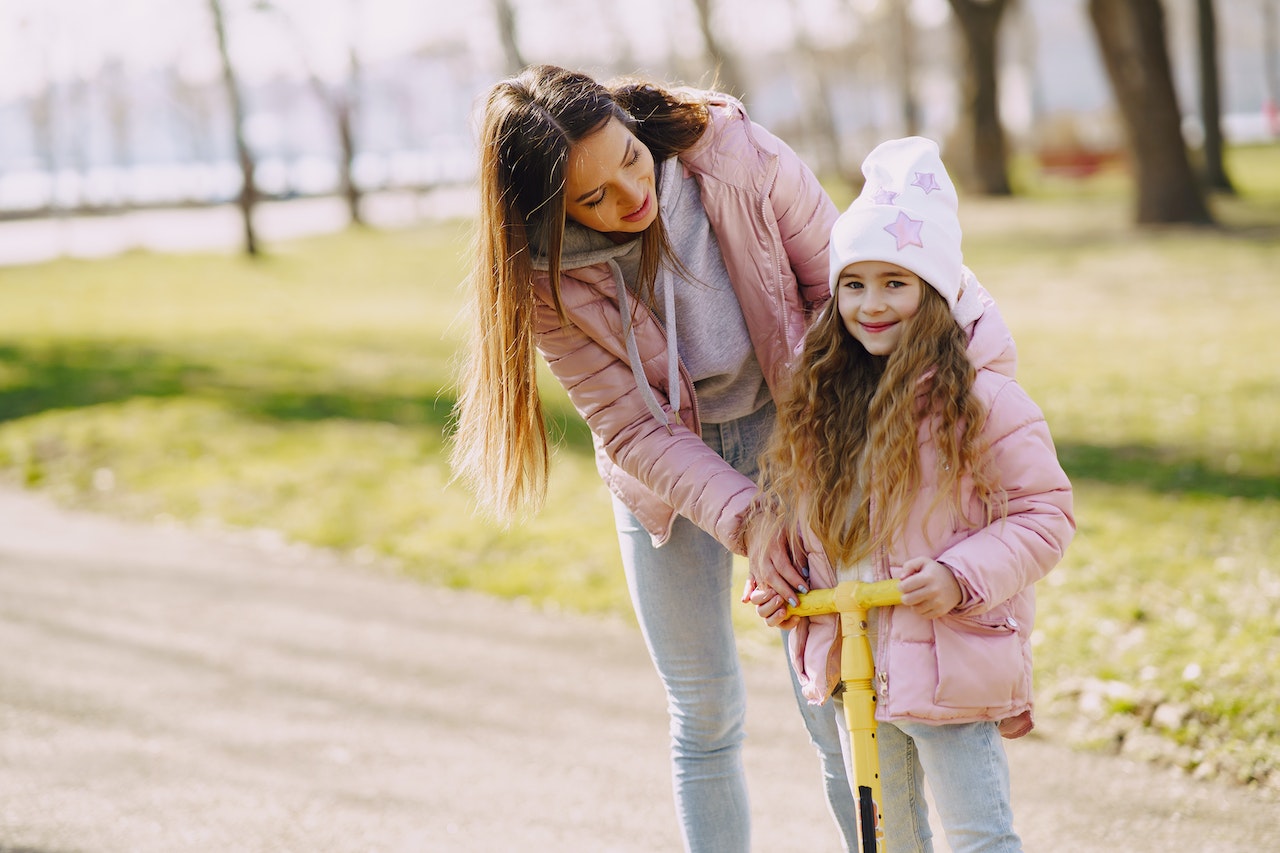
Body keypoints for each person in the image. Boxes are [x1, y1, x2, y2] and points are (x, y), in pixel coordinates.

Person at [449, 64, 859, 851]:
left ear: (631, 125)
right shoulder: (544, 277)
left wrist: (807, 475)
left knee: (835, 696)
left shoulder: (737, 157)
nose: (627, 198)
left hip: (795, 427)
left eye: (629, 162)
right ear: (549, 214)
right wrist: (748, 519)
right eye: (591, 199)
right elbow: (632, 428)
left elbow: (839, 299)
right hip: (664, 475)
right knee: (703, 710)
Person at [747, 137, 1075, 853]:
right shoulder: (821, 400)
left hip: (947, 655)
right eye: (854, 283)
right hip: (854, 661)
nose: (872, 304)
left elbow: (1045, 514)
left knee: (979, 834)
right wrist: (790, 589)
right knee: (887, 840)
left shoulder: (984, 400)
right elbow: (812, 526)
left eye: (896, 283)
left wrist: (962, 575)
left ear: (936, 292)